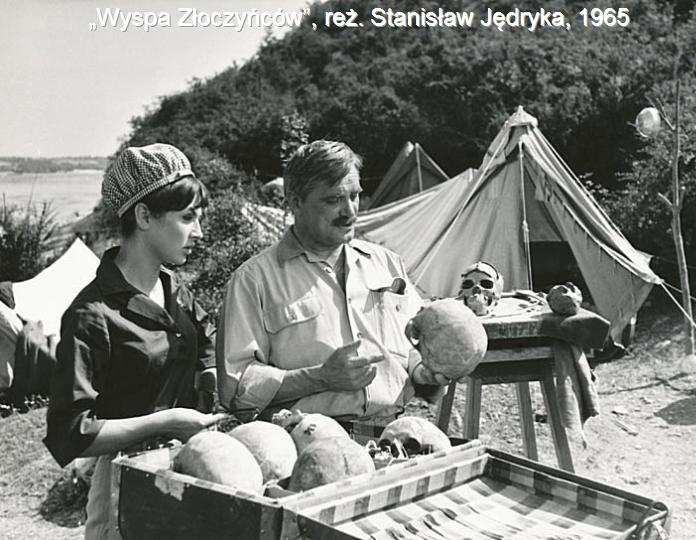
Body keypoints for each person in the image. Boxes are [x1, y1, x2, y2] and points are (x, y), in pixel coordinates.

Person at [44, 144, 227, 539]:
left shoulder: (172, 288)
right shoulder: (92, 315)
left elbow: (204, 338)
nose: (199, 231)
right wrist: (165, 421)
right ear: (144, 216)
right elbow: (70, 431)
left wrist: (209, 377)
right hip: (124, 489)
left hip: (188, 471)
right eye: (188, 217)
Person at [217, 140, 449, 422]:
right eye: (333, 199)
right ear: (295, 202)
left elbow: (413, 346)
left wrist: (425, 371)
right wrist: (319, 378)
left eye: (354, 196)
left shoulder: (387, 264)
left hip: (393, 436)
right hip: (304, 443)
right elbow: (235, 389)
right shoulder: (253, 281)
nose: (350, 211)